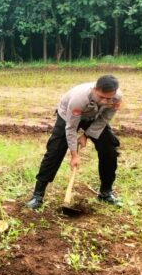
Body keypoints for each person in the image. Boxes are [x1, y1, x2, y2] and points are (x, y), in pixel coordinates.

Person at [26, 74, 123, 209]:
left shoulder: (117, 98)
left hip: (94, 118)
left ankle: (106, 193)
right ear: (95, 89)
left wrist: (86, 135)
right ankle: (38, 195)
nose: (104, 101)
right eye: (101, 97)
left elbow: (104, 119)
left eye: (109, 98)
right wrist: (74, 155)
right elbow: (71, 128)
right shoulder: (79, 98)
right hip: (68, 116)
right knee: (55, 150)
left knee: (109, 149)